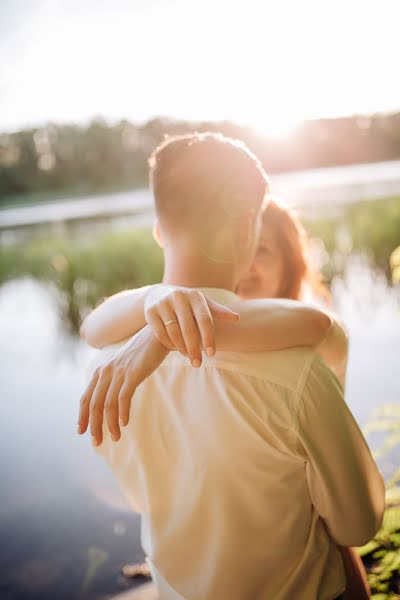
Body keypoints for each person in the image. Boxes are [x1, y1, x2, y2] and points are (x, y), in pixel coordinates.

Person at [78, 132, 385, 600]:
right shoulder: (294, 370)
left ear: (158, 231)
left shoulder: (106, 370)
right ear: (248, 227)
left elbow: (134, 498)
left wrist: (155, 321)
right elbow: (358, 522)